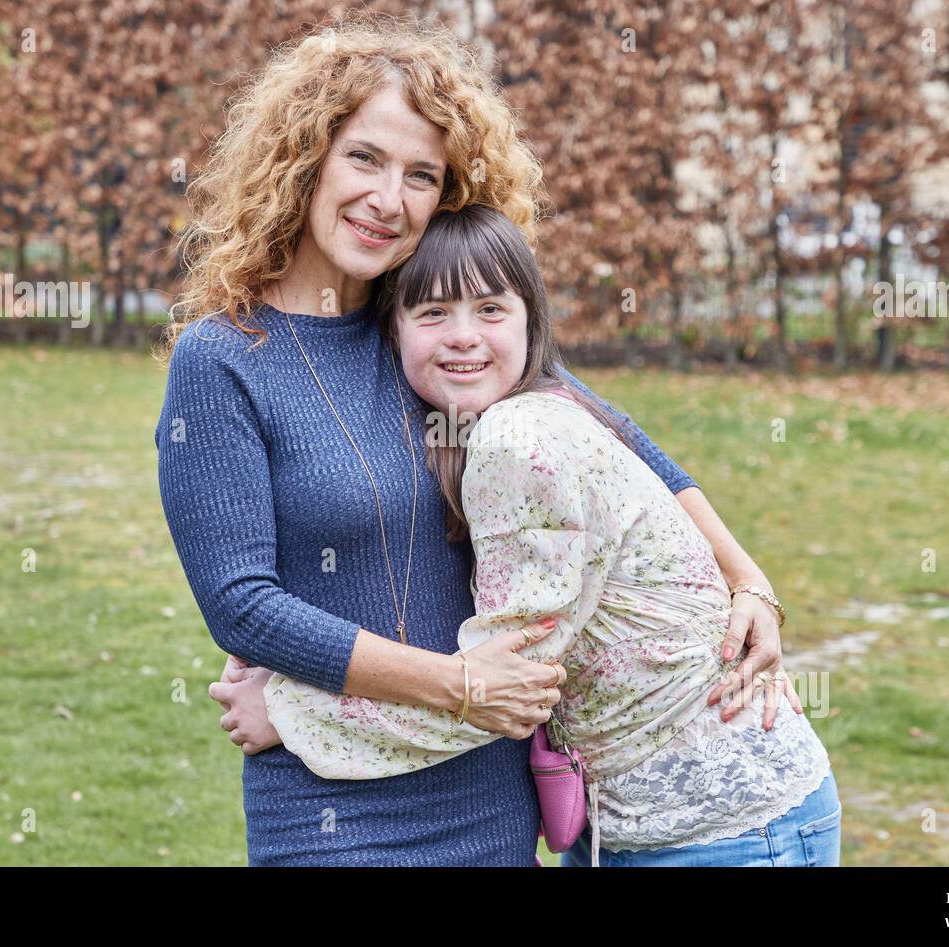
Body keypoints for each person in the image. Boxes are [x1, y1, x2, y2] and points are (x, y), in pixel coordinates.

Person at [158, 11, 794, 866]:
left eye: (422, 174)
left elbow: (621, 439)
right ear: (305, 161)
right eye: (365, 159)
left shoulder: (429, 331)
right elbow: (243, 604)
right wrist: (458, 685)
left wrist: (750, 582)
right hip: (328, 805)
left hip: (488, 789)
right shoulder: (222, 360)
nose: (389, 199)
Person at [237, 204, 841, 867]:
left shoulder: (518, 439)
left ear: (532, 323)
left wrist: (290, 715)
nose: (463, 336)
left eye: (491, 310)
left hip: (727, 831)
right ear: (395, 332)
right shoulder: (526, 412)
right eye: (433, 313)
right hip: (639, 829)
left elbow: (511, 684)